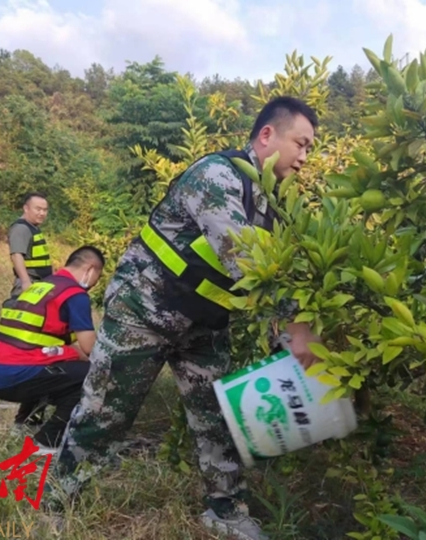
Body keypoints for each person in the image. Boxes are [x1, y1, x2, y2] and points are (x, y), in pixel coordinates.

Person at [42, 96, 321, 540]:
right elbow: (244, 257)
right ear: (267, 134)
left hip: (203, 323)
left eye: (310, 148)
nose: (304, 157)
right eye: (300, 143)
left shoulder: (273, 203)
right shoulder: (217, 175)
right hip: (143, 310)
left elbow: (284, 270)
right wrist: (296, 325)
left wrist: (285, 341)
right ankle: (56, 502)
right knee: (106, 411)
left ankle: (225, 510)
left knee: (217, 417)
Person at [0, 246, 105, 454]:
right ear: (90, 269)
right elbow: (91, 348)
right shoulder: (74, 294)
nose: (93, 285)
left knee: (50, 365)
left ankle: (26, 424)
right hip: (15, 373)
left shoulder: (41, 286)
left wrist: (71, 352)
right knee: (91, 375)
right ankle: (47, 441)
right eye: (97, 278)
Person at [5, 191, 52, 429]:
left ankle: (31, 414)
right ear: (26, 208)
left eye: (45, 210)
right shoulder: (22, 228)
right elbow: (17, 255)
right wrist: (25, 282)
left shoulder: (33, 229)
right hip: (28, 292)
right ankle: (26, 415)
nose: (42, 213)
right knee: (31, 351)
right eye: (37, 209)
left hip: (38, 291)